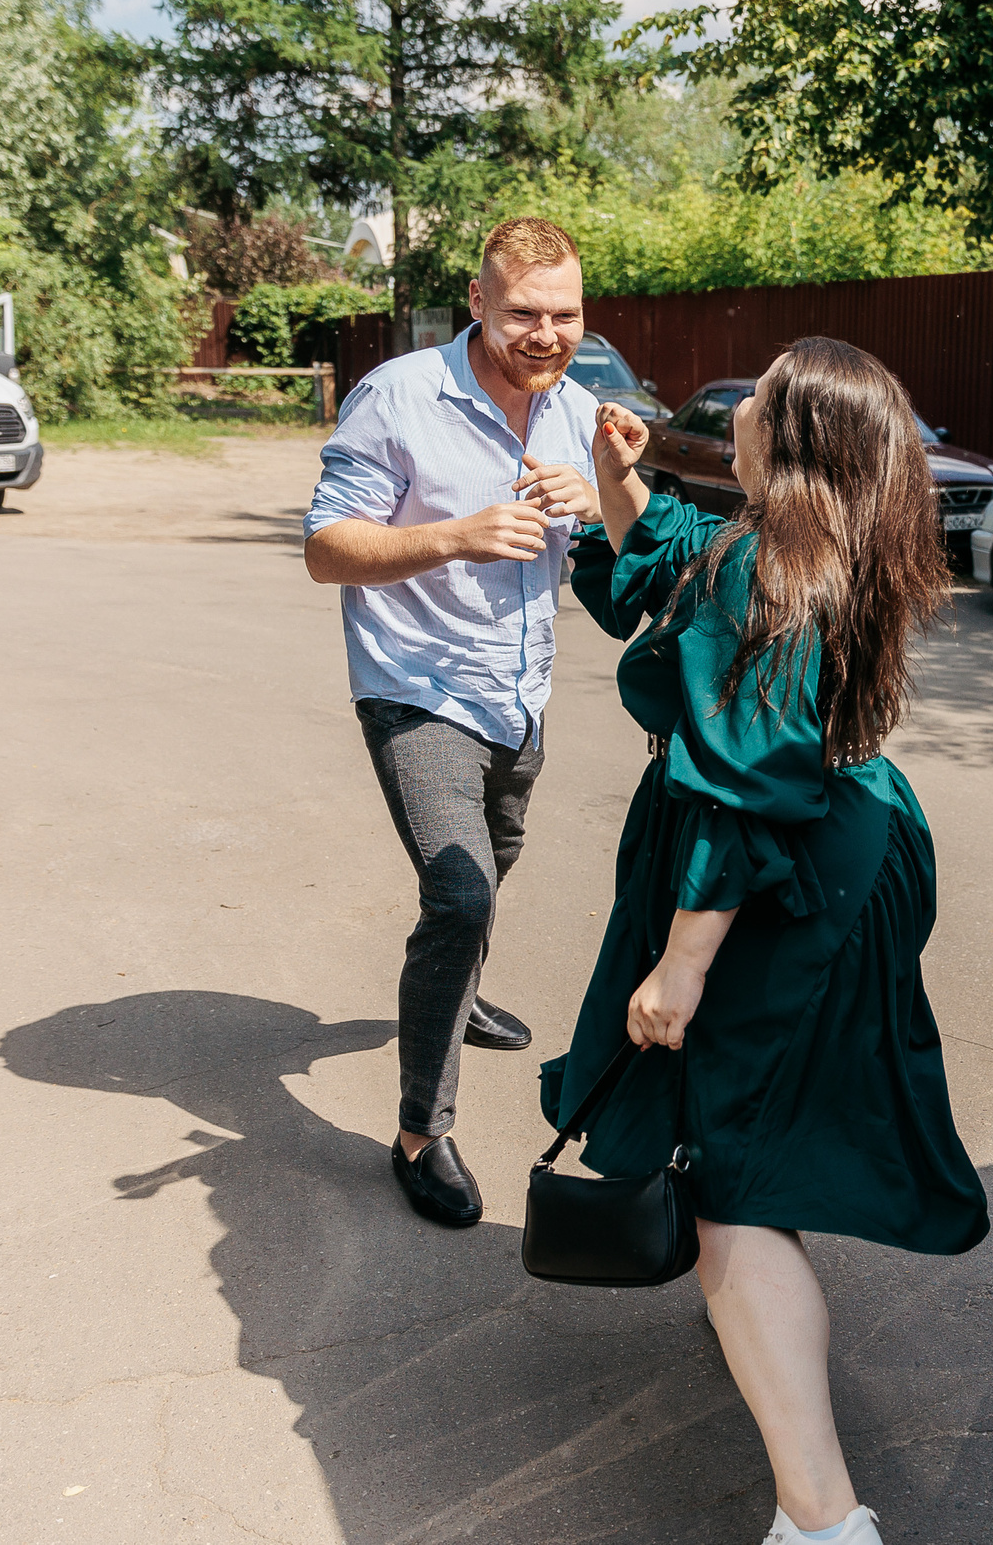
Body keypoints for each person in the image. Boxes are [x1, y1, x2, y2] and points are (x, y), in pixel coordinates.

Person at [545, 337, 989, 1545]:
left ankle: (822, 1519)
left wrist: (682, 965)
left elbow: (743, 788)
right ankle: (750, 1321)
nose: (733, 409)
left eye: (759, 399)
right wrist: (615, 475)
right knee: (754, 1134)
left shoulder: (771, 568)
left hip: (773, 878)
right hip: (843, 848)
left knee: (730, 1169)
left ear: (789, 441)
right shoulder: (815, 540)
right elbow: (663, 567)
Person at [304, 216, 603, 1228]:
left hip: (520, 692)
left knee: (489, 866)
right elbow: (327, 548)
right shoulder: (397, 395)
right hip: (415, 684)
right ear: (476, 303)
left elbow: (622, 516)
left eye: (564, 314)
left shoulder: (579, 404)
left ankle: (453, 983)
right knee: (462, 890)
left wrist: (604, 494)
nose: (545, 333)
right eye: (523, 312)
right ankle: (421, 1134)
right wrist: (452, 537)